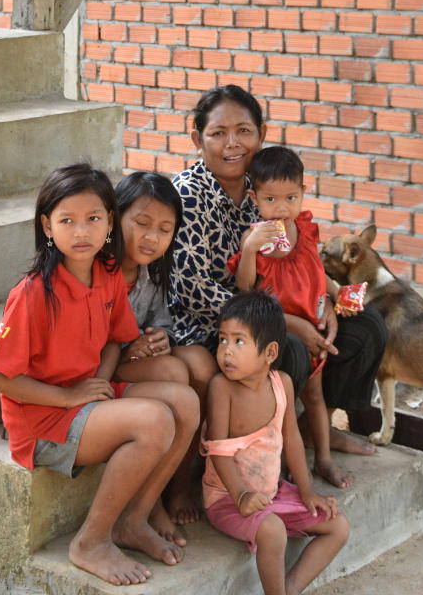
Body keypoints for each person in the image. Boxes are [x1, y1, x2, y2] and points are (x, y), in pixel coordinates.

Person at [0, 162, 199, 587]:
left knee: (185, 401)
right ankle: (91, 542)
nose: (81, 231)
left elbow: (116, 340)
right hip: (43, 418)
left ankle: (133, 520)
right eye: (68, 221)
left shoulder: (108, 273)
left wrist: (98, 385)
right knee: (154, 419)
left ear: (109, 222)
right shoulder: (33, 294)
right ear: (47, 226)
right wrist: (69, 398)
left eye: (93, 219)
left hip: (83, 395)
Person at [169, 82, 387, 456]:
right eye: (218, 133)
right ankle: (275, 446)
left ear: (262, 134)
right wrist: (284, 320)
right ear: (197, 138)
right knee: (288, 347)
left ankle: (314, 424)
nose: (232, 143)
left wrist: (325, 305)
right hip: (211, 325)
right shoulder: (188, 194)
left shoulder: (270, 185)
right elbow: (194, 291)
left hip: (280, 305)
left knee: (366, 327)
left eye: (244, 131)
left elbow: (302, 260)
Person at [203, 291, 350, 595]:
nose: (226, 351)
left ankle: (289, 590)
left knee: (338, 526)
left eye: (239, 341)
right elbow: (219, 451)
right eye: (223, 340)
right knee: (272, 531)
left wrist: (305, 489)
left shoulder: (281, 384)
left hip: (271, 493)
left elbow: (293, 440)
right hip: (227, 498)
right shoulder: (221, 388)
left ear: (269, 353)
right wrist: (240, 495)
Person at [229, 143, 347, 489]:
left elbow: (314, 269)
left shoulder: (306, 229)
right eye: (270, 200)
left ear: (303, 193)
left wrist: (336, 294)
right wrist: (249, 248)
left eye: (290, 198)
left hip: (315, 323)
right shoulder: (256, 237)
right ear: (254, 197)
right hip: (279, 333)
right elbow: (246, 287)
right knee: (281, 402)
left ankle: (323, 458)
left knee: (315, 396)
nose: (281, 209)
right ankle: (280, 467)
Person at [112, 170, 217, 523]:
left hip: (137, 358)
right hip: (103, 367)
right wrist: (132, 348)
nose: (151, 238)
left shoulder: (149, 273)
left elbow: (161, 323)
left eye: (164, 230)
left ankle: (179, 480)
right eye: (142, 224)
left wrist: (160, 338)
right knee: (174, 371)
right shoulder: (99, 273)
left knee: (199, 363)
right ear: (115, 217)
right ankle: (154, 498)